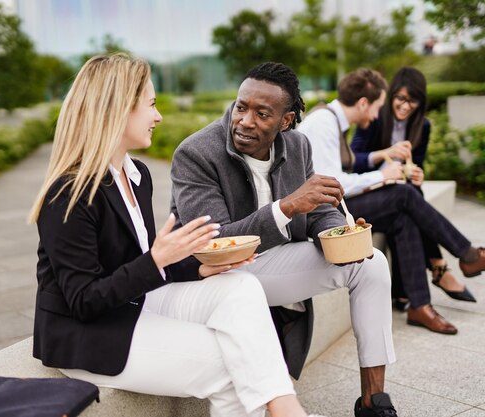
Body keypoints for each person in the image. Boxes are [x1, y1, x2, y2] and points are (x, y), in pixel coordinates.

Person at [28, 54, 326, 417]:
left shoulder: (136, 174)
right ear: (118, 110)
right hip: (86, 334)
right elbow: (84, 301)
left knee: (240, 285)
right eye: (150, 105)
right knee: (232, 363)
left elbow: (141, 267)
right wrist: (157, 259)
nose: (159, 116)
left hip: (135, 304)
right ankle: (289, 411)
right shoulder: (69, 193)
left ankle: (285, 408)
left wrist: (196, 268)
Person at [171, 62, 400, 417]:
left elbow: (320, 209)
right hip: (220, 276)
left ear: (286, 121)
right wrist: (286, 207)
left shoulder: (297, 146)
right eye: (241, 107)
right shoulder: (196, 153)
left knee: (371, 263)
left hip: (274, 265)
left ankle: (374, 400)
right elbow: (213, 244)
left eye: (262, 114)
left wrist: (338, 233)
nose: (245, 120)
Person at [298, 67, 485, 337]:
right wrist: (382, 175)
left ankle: (420, 305)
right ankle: (468, 255)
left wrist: (385, 169)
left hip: (330, 206)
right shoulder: (325, 123)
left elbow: (342, 171)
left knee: (403, 215)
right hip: (320, 214)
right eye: (378, 106)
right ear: (363, 103)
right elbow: (333, 184)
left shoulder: (332, 121)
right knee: (404, 195)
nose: (376, 115)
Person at [350, 66, 475, 308]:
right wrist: (384, 158)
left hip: (402, 191)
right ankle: (442, 265)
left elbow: (416, 163)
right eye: (401, 99)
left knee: (410, 198)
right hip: (371, 187)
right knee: (408, 198)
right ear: (393, 94)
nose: (406, 106)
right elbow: (352, 160)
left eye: (413, 101)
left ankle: (404, 292)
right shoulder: (375, 118)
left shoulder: (423, 126)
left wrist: (417, 173)